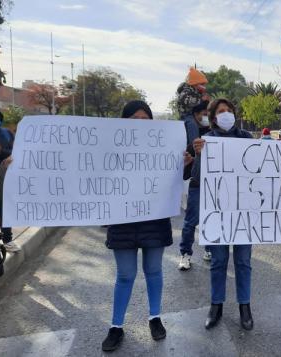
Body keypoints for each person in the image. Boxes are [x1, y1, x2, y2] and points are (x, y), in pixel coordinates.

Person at [102, 101, 173, 352]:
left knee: (154, 271)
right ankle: (116, 326)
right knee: (125, 274)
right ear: (124, 121)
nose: (141, 123)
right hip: (122, 222)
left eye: (146, 119)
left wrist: (184, 163)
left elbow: (178, 178)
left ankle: (155, 318)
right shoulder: (109, 150)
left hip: (154, 221)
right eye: (135, 118)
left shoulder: (164, 148)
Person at [190, 98, 255, 331]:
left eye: (229, 110)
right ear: (214, 117)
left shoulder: (247, 138)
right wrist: (198, 155)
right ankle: (216, 305)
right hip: (217, 211)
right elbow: (196, 178)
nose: (226, 114)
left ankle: (244, 306)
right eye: (221, 111)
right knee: (218, 261)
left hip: (244, 211)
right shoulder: (207, 141)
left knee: (243, 262)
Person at [179, 100, 212, 270]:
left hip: (213, 184)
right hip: (197, 182)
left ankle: (209, 249)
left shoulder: (214, 132)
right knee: (191, 221)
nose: (206, 117)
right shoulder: (188, 129)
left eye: (208, 114)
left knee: (210, 219)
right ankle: (185, 254)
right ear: (196, 114)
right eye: (204, 114)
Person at [0, 107, 17, 252]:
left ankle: (7, 239)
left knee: (4, 210)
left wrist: (1, 150)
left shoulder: (7, 134)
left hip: (3, 178)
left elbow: (15, 153)